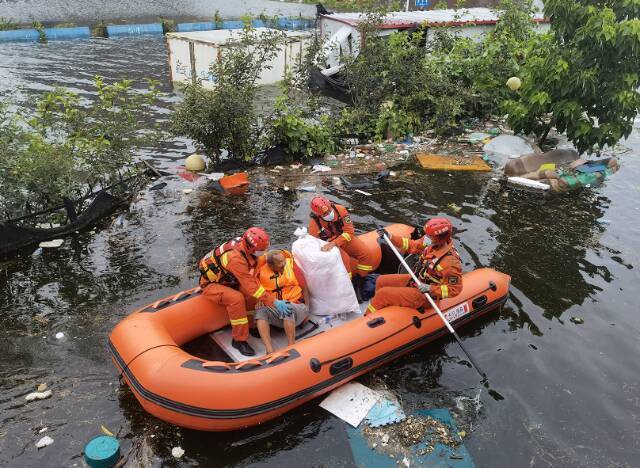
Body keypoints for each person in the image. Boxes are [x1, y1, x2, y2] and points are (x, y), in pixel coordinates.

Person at [197, 227, 293, 356]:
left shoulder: (246, 248)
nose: (265, 251)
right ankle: (239, 339)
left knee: (251, 294)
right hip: (212, 285)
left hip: (231, 280)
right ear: (251, 248)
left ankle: (253, 326)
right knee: (236, 299)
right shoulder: (235, 258)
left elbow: (252, 278)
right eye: (262, 250)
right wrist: (275, 303)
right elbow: (251, 287)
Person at [366, 217, 463, 314]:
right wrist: (390, 237)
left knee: (383, 294)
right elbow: (411, 245)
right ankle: (382, 308)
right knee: (381, 281)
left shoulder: (450, 263)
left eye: (429, 235)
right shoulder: (431, 242)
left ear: (439, 238)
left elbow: (454, 289)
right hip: (417, 280)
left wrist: (430, 288)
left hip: (426, 295)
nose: (426, 237)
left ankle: (368, 317)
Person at [307, 196, 374, 298]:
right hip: (330, 246)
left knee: (366, 254)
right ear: (318, 214)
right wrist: (332, 245)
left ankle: (360, 283)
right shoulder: (314, 224)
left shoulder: (341, 210)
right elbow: (316, 243)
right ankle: (348, 288)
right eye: (324, 214)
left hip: (343, 239)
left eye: (329, 211)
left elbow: (349, 231)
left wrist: (336, 242)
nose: (328, 214)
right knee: (345, 262)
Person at [254, 250, 310, 354]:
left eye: (283, 261)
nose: (283, 264)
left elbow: (305, 288)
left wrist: (307, 310)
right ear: (270, 265)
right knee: (260, 311)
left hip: (297, 308)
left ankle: (291, 346)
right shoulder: (262, 272)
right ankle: (269, 349)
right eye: (280, 263)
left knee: (286, 306)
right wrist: (259, 300)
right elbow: (257, 290)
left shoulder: (291, 265)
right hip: (278, 310)